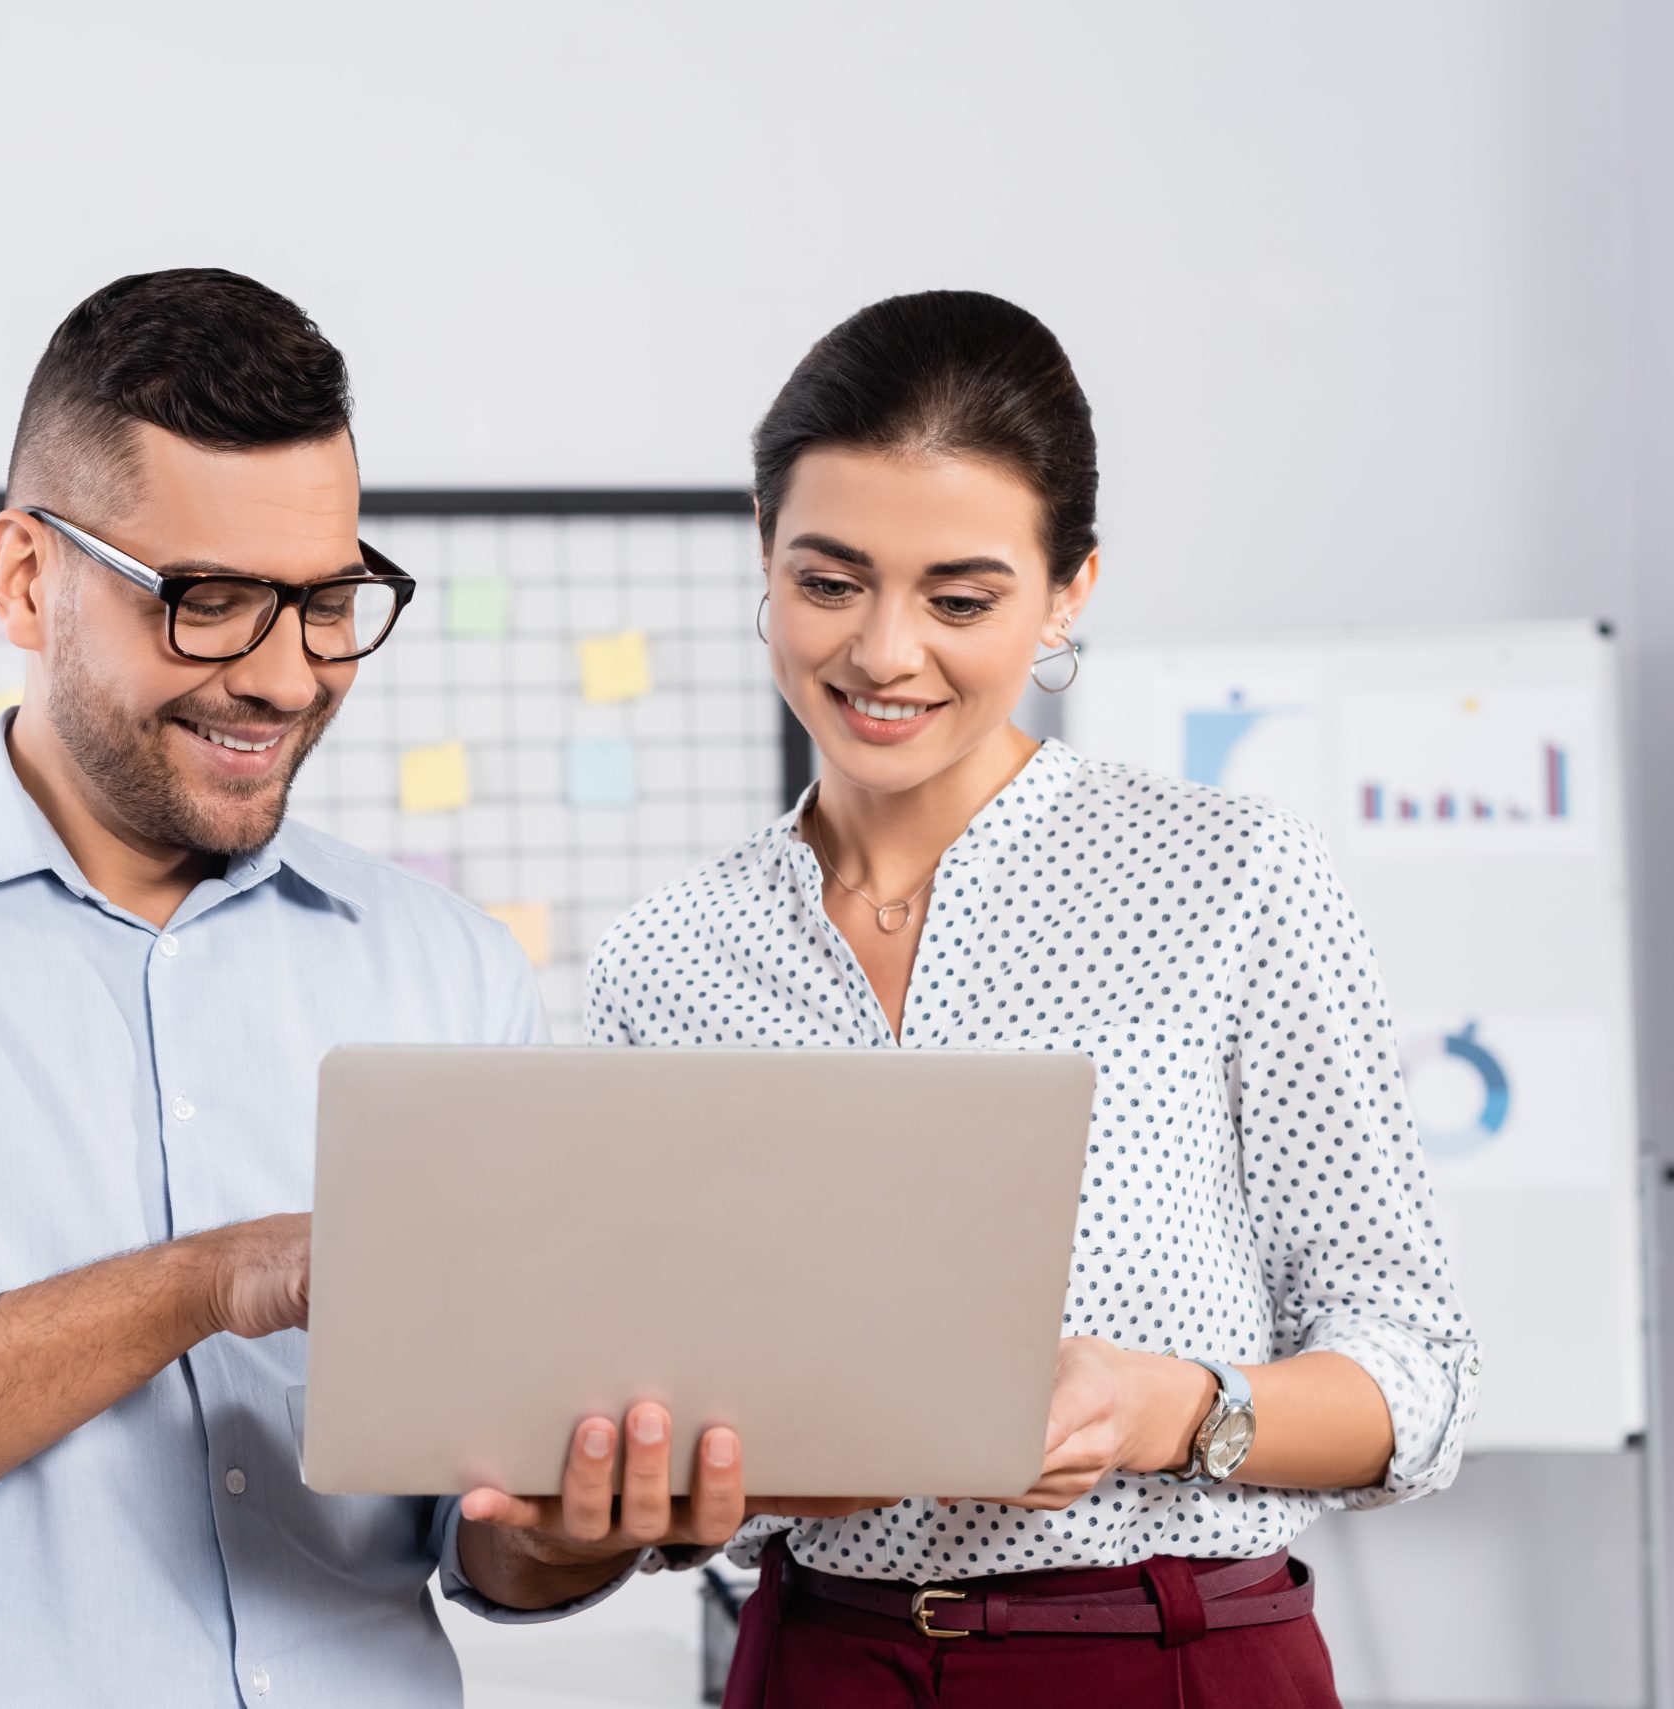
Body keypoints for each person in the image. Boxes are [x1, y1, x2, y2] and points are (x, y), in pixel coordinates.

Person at [0, 268, 744, 1708]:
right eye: (207, 603)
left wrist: (568, 1537)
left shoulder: (444, 963)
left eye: (327, 604)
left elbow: (474, 1543)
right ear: (26, 578)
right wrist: (203, 1282)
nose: (279, 676)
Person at [585, 290, 1480, 1707]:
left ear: (1069, 590)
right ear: (763, 560)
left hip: (1170, 1659)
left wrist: (1173, 1407)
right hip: (816, 1658)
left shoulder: (1228, 879)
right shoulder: (664, 962)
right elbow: (650, 1390)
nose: (884, 651)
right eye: (828, 581)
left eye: (960, 597)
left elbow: (1417, 1371)